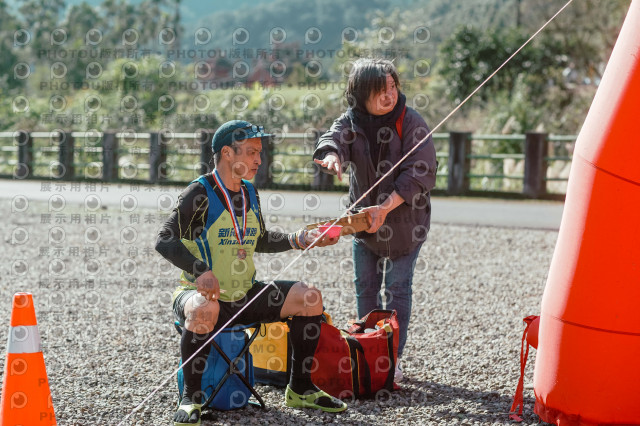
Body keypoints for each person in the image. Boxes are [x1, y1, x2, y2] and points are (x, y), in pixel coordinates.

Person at [156, 120, 347, 426]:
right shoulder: (199, 192)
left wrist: (299, 239)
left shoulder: (249, 191)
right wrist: (200, 270)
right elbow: (164, 240)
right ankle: (191, 399)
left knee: (309, 298)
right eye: (252, 152)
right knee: (206, 307)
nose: (259, 159)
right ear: (227, 153)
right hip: (199, 295)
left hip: (244, 294)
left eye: (260, 152)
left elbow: (259, 239)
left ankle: (300, 389)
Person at [313, 58, 437, 382]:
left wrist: (385, 208)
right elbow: (333, 137)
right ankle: (369, 352)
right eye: (380, 90)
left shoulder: (412, 122)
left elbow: (420, 173)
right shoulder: (351, 121)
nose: (389, 95)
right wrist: (331, 154)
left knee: (397, 290)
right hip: (363, 225)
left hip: (406, 225)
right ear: (361, 95)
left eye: (392, 87)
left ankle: (392, 359)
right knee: (365, 287)